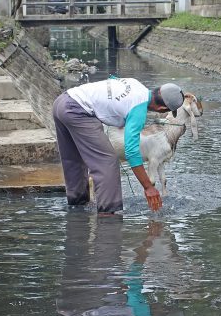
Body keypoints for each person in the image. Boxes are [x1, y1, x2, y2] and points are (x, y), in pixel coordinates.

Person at [52, 77, 185, 214]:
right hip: (76, 111)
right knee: (107, 161)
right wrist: (148, 187)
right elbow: (131, 151)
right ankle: (108, 217)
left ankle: (77, 208)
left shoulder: (135, 83)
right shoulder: (139, 110)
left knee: (74, 159)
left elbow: (112, 83)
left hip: (62, 102)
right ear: (162, 109)